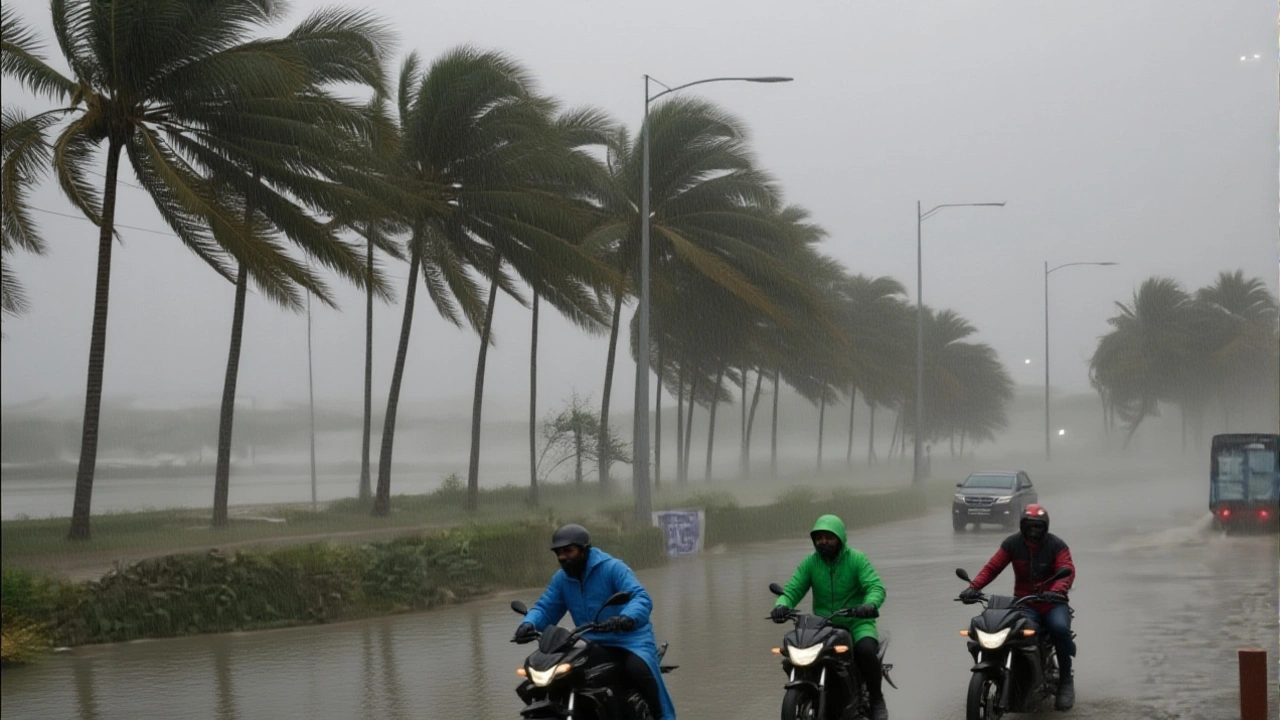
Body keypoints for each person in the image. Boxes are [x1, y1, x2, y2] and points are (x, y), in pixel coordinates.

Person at [513, 523, 676, 720]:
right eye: (559, 553)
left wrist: (626, 618)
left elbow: (640, 597)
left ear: (584, 550)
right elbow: (546, 607)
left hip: (629, 638)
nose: (563, 557)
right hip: (590, 641)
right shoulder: (562, 579)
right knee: (569, 675)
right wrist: (528, 624)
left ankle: (663, 716)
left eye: (568, 551)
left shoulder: (613, 568)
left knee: (637, 669)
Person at [959, 503, 1077, 710]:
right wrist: (973, 587)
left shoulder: (1057, 546)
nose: (1033, 531)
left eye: (1038, 527)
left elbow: (1066, 569)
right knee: (1010, 633)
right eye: (1029, 526)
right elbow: (993, 567)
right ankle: (1016, 676)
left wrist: (1057, 590)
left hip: (1052, 603)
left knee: (1059, 629)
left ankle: (1066, 681)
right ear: (1022, 526)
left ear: (1045, 527)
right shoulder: (1012, 544)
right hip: (1024, 605)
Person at [771, 514, 889, 720]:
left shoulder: (857, 560)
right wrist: (781, 606)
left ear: (840, 539)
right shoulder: (810, 563)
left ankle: (877, 699)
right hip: (822, 627)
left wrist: (869, 605)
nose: (823, 542)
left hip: (857, 623)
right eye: (819, 538)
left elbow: (875, 587)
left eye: (829, 537)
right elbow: (791, 590)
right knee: (794, 655)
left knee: (866, 651)